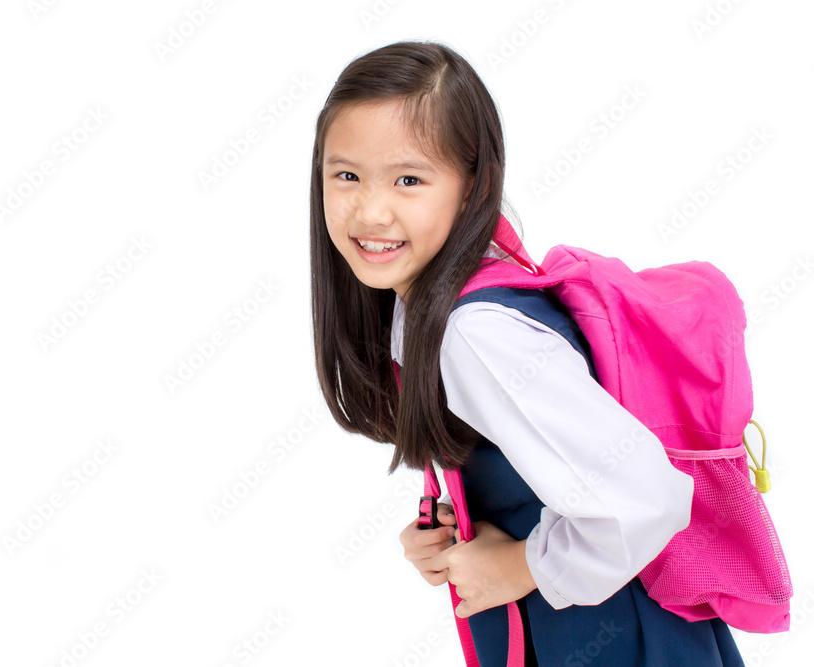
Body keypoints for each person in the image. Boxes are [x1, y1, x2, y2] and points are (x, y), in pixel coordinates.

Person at [308, 40, 746, 666]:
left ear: (473, 185)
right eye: (346, 175)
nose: (371, 210)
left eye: (409, 179)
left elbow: (647, 497)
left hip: (621, 642)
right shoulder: (438, 304)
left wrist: (519, 564)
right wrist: (459, 526)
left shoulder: (478, 333)